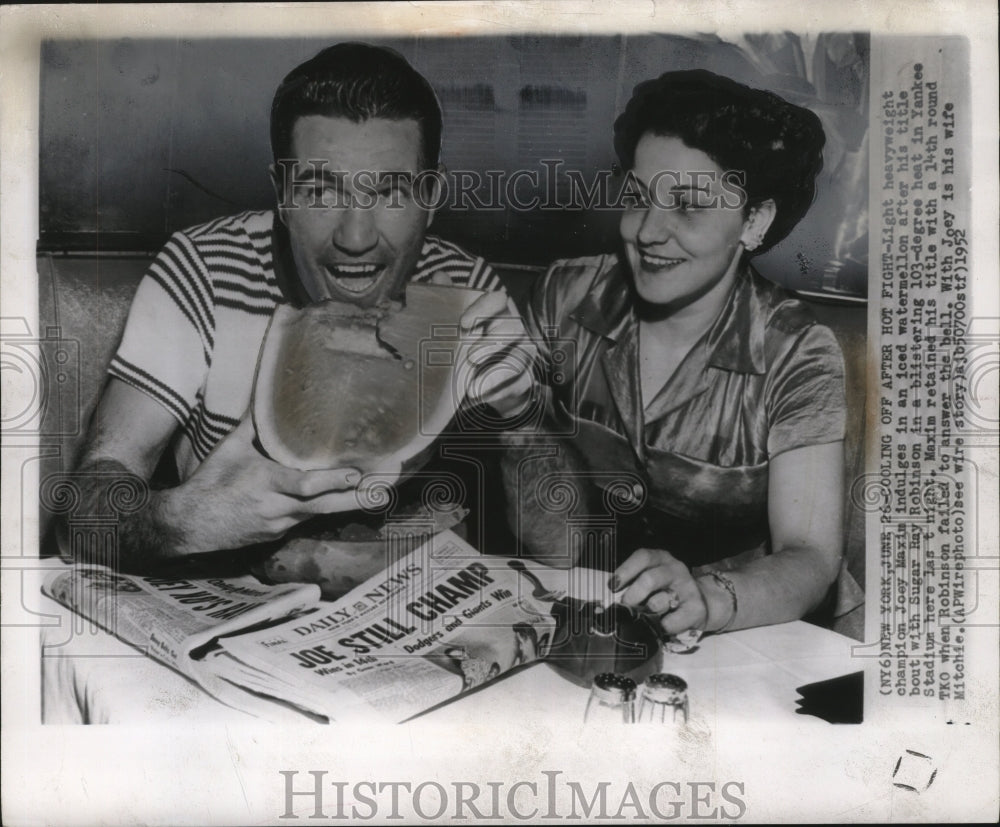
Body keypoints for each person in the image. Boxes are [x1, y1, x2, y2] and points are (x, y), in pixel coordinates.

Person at [61, 42, 530, 573]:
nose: (356, 237)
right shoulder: (204, 272)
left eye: (391, 192)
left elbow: (569, 547)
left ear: (432, 196)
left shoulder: (467, 294)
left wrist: (522, 419)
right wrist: (183, 518)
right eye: (320, 191)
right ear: (281, 194)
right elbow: (81, 519)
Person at [504, 69, 862, 642]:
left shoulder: (796, 350)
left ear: (755, 221)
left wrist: (711, 598)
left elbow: (812, 556)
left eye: (689, 206)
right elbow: (544, 520)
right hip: (603, 613)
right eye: (639, 197)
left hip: (756, 625)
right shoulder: (563, 298)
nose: (648, 231)